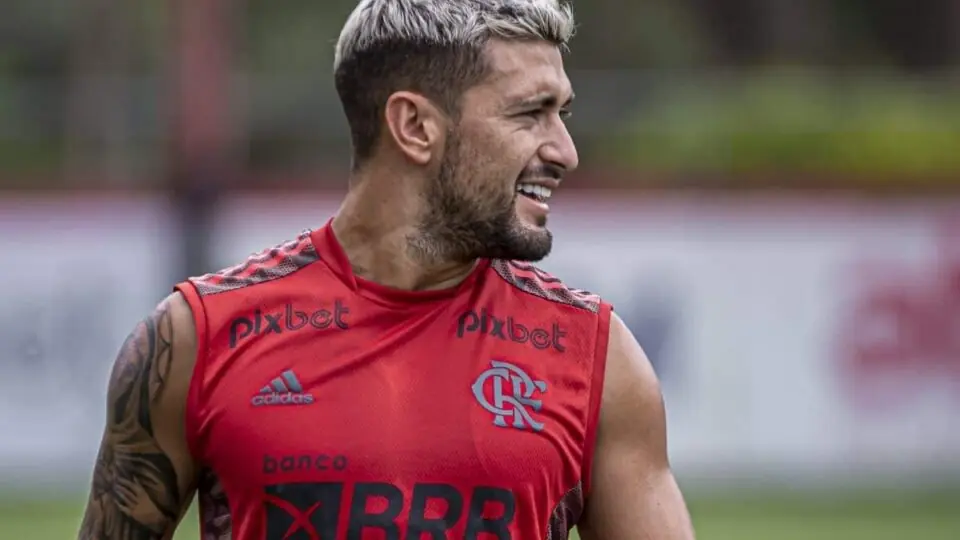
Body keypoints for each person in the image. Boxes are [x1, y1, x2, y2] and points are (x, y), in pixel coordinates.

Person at [78, 1, 695, 538]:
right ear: (415, 126)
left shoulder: (597, 357)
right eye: (530, 113)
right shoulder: (194, 340)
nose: (565, 151)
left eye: (563, 114)